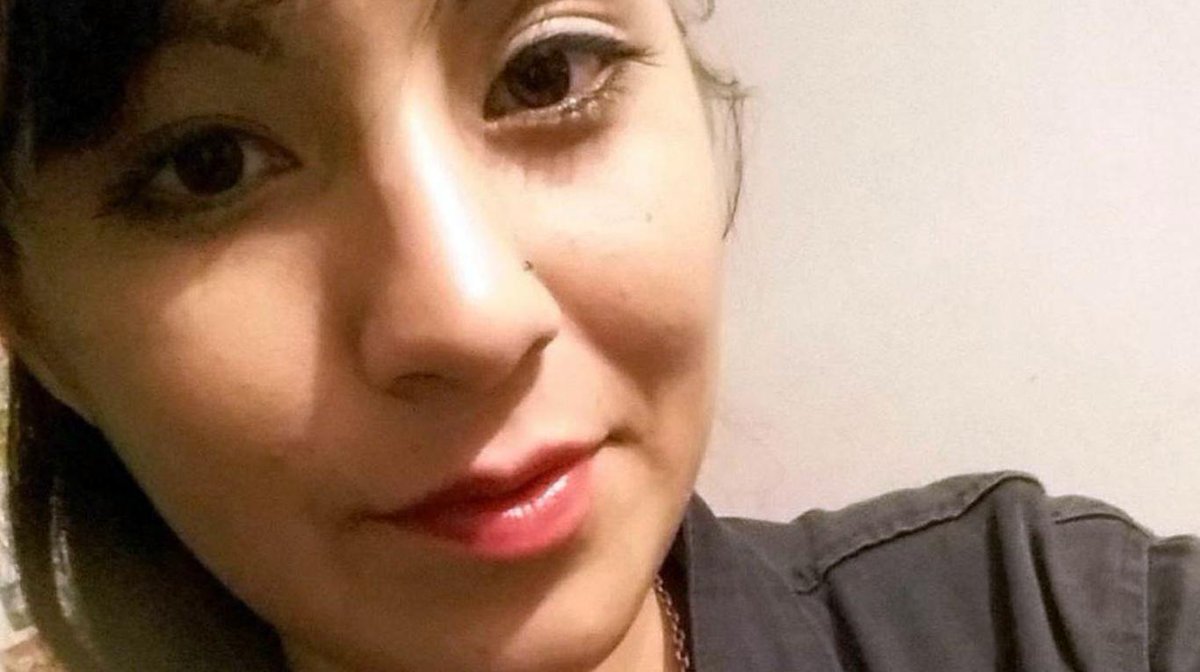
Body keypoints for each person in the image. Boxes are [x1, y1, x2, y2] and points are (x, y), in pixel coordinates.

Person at [0, 1, 1195, 671]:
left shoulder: (1064, 627)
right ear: (35, 325)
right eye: (209, 166)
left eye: (546, 74)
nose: (469, 315)